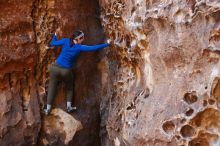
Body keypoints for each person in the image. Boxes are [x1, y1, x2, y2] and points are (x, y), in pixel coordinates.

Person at [44, 30, 110, 115]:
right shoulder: (79, 47)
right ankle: (69, 107)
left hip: (55, 68)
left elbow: (53, 43)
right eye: (82, 37)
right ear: (78, 39)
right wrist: (107, 44)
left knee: (52, 87)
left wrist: (55, 35)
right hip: (66, 71)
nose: (83, 39)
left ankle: (47, 109)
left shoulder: (66, 41)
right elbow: (93, 48)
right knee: (69, 87)